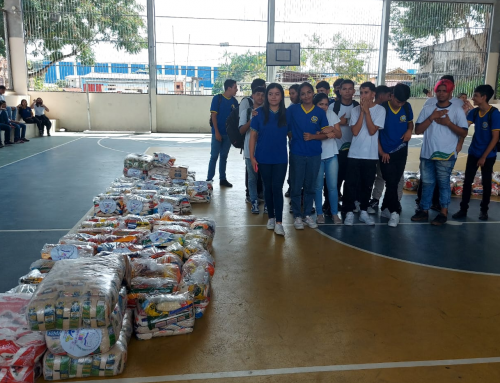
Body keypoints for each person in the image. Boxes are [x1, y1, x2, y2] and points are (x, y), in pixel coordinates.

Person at [411, 79, 468, 225]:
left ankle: (443, 212)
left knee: (443, 183)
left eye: (444, 91)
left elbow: (463, 131)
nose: (441, 93)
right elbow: (418, 130)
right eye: (439, 90)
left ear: (450, 93)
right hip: (427, 153)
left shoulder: (456, 110)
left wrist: (448, 123)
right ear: (435, 91)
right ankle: (424, 210)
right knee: (427, 183)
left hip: (446, 154)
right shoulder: (428, 108)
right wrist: (432, 117)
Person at [453, 85, 499, 221]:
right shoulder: (474, 113)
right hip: (474, 152)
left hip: (488, 155)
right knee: (467, 181)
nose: (472, 98)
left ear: (484, 97)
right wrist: (460, 142)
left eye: (475, 95)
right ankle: (463, 209)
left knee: (486, 183)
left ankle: (484, 210)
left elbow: (495, 138)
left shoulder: (494, 114)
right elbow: (463, 128)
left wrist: (484, 156)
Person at [342, 82, 386, 226]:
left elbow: (372, 130)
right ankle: (348, 211)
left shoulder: (380, 110)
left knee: (367, 185)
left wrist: (367, 111)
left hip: (370, 155)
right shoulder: (355, 110)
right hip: (354, 154)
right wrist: (362, 111)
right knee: (350, 184)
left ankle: (363, 212)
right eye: (361, 93)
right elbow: (355, 131)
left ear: (373, 94)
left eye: (366, 92)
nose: (363, 96)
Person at [287, 82, 329, 230]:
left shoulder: (319, 112)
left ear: (313, 93)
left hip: (314, 154)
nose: (306, 96)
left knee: (310, 186)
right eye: (303, 93)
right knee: (297, 185)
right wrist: (292, 137)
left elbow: (326, 134)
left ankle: (307, 215)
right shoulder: (292, 110)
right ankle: (297, 215)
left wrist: (313, 137)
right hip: (297, 153)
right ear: (299, 95)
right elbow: (284, 126)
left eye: (309, 92)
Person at [249, 83, 289, 236]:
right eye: (270, 93)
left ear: (281, 96)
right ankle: (270, 217)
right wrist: (252, 157)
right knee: (268, 187)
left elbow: (292, 133)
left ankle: (279, 222)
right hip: (263, 157)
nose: (273, 97)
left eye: (277, 94)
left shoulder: (287, 113)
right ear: (266, 96)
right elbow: (253, 136)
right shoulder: (258, 114)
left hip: (280, 158)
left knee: (277, 188)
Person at [377, 84, 413, 227]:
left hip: (401, 149)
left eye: (403, 102)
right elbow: (375, 134)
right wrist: (382, 152)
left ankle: (386, 208)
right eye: (398, 101)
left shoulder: (407, 107)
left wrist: (410, 130)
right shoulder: (382, 109)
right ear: (391, 95)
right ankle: (395, 211)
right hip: (385, 152)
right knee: (390, 180)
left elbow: (410, 123)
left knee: (395, 180)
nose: (400, 104)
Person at [307, 93, 342, 224]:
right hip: (317, 156)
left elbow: (339, 134)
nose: (324, 107)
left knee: (332, 186)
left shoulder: (332, 115)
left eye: (326, 104)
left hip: (331, 155)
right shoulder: (312, 116)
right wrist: (324, 133)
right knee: (318, 186)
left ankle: (334, 214)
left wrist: (332, 129)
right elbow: (312, 134)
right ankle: (319, 213)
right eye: (321, 104)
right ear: (315, 104)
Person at [328, 79, 358, 211]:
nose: (347, 91)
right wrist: (338, 122)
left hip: (353, 148)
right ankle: (329, 203)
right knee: (335, 177)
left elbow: (360, 123)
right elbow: (327, 124)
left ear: (354, 91)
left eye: (350, 89)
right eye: (344, 89)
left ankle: (348, 202)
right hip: (336, 147)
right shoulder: (333, 107)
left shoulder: (357, 106)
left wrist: (346, 121)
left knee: (351, 178)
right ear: (339, 91)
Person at [207, 79, 238, 187]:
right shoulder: (217, 99)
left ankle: (223, 179)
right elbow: (214, 116)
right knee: (214, 156)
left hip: (228, 135)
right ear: (229, 88)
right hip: (217, 133)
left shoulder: (234, 102)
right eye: (235, 87)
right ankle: (209, 179)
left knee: (224, 156)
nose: (236, 90)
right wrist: (216, 132)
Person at [240, 85, 265, 213]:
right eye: (257, 94)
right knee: (252, 178)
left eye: (262, 94)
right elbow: (241, 130)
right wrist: (252, 120)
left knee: (265, 178)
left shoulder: (268, 111)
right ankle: (254, 201)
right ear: (253, 96)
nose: (260, 97)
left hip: (265, 150)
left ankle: (266, 203)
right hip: (250, 151)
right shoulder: (247, 112)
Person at [285, 83, 300, 198]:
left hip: (307, 146)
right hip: (295, 144)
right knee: (294, 167)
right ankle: (292, 188)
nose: (291, 96)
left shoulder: (309, 107)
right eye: (290, 94)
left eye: (293, 93)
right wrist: (291, 137)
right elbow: (287, 127)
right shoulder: (290, 109)